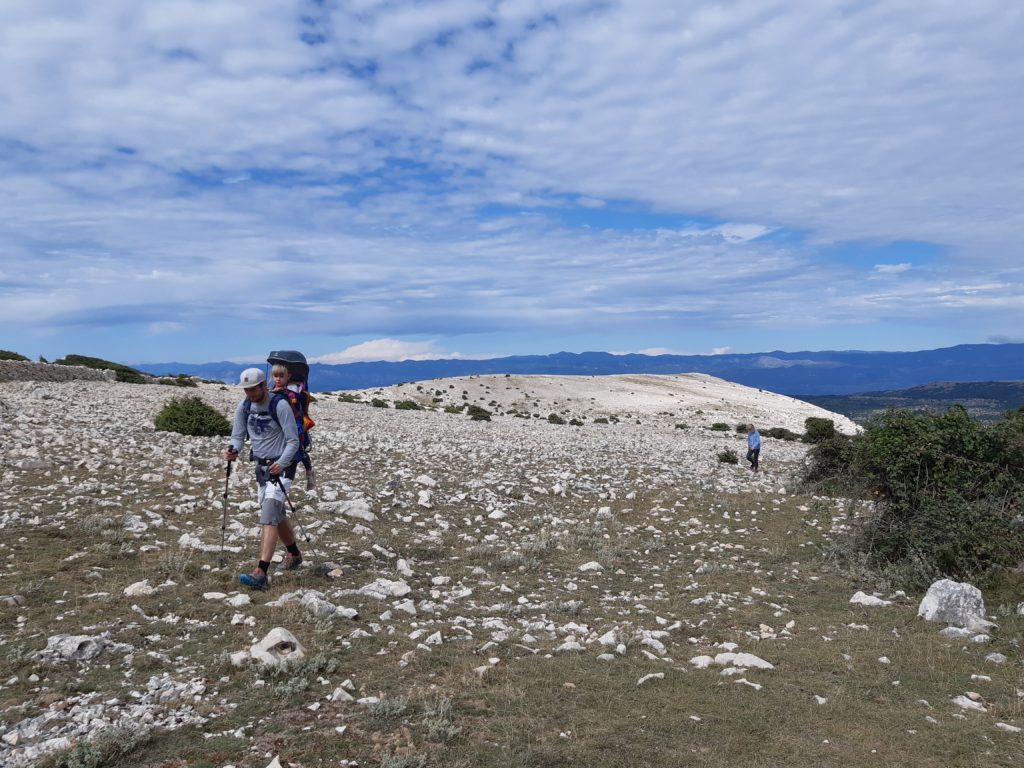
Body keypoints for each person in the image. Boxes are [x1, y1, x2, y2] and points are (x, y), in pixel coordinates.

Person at [223, 367, 303, 589]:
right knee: (276, 513)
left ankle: (261, 572)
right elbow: (238, 435)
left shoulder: (280, 405)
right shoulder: (245, 406)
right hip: (260, 467)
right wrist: (234, 450)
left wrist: (283, 462)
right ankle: (295, 554)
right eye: (246, 389)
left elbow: (293, 440)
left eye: (252, 388)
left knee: (268, 513)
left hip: (282, 467)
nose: (249, 393)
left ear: (263, 386)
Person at [269, 362, 316, 489]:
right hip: (280, 426)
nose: (278, 379)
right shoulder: (272, 391)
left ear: (288, 376)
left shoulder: (293, 392)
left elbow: (296, 406)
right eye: (275, 376)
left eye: (281, 376)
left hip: (295, 425)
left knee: (299, 448)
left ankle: (309, 470)